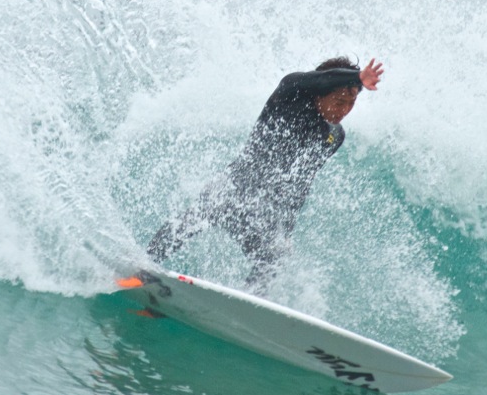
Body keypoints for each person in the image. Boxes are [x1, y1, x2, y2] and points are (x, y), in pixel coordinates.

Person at [147, 55, 385, 292]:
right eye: (339, 101)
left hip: (262, 211)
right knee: (189, 222)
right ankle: (145, 268)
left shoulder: (334, 136)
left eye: (351, 103)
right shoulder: (291, 93)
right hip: (233, 188)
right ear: (319, 92)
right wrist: (357, 76)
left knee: (275, 257)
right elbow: (322, 79)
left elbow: (302, 182)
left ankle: (246, 301)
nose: (344, 110)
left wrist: (285, 231)